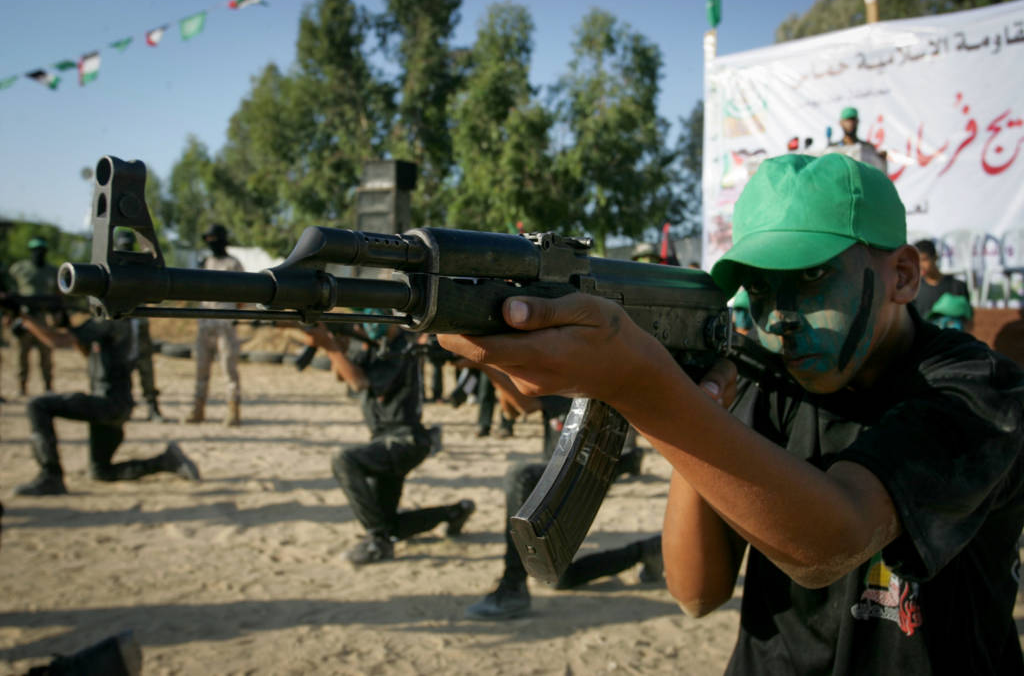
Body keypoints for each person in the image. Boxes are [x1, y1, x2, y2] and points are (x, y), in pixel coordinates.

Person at [439, 153, 1024, 672]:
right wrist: (697, 403)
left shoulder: (977, 392)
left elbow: (831, 543)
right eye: (762, 289)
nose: (779, 319)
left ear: (901, 275)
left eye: (812, 277)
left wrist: (648, 389)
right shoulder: (766, 375)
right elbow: (696, 591)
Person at [463, 370, 647, 620]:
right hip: (556, 481)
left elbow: (525, 405)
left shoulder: (575, 373)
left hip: (578, 480)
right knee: (560, 578)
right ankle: (646, 550)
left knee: (521, 476)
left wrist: (486, 365)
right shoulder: (555, 372)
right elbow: (512, 409)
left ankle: (513, 586)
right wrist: (498, 369)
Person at [299, 321, 475, 565]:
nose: (364, 326)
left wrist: (330, 346)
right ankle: (455, 511)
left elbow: (360, 382)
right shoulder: (375, 347)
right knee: (388, 524)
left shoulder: (401, 347)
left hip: (404, 440)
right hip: (385, 441)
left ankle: (376, 542)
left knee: (345, 460)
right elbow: (344, 376)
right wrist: (339, 345)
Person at [12, 311, 200, 496]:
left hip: (107, 404)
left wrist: (27, 321)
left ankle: (50, 477)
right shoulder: (127, 320)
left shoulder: (111, 319)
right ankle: (166, 461)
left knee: (38, 405)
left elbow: (57, 342)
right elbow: (88, 351)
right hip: (117, 405)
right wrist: (69, 327)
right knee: (101, 472)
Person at [184, 224, 243, 426]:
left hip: (225, 325)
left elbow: (244, 296)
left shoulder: (234, 263)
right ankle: (198, 409)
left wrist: (235, 316)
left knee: (229, 370)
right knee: (201, 370)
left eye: (213, 238)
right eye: (208, 239)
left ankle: (233, 410)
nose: (211, 243)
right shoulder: (205, 262)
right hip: (205, 325)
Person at [113, 230, 169, 422]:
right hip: (119, 325)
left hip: (139, 323)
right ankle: (122, 408)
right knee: (120, 371)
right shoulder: (111, 266)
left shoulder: (140, 265)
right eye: (124, 246)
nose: (127, 250)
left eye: (129, 245)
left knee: (146, 369)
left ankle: (153, 408)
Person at [7, 237, 59, 396]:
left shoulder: (52, 271)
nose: (38, 253)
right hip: (24, 316)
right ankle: (22, 387)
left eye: (41, 250)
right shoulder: (19, 269)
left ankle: (48, 387)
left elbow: (58, 296)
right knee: (21, 355)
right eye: (35, 250)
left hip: (43, 318)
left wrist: (57, 315)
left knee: (46, 355)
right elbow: (9, 292)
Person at [912, 238, 970, 319]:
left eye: (924, 259)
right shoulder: (914, 290)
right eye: (916, 261)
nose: (920, 265)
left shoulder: (958, 286)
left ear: (935, 258)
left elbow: (967, 319)